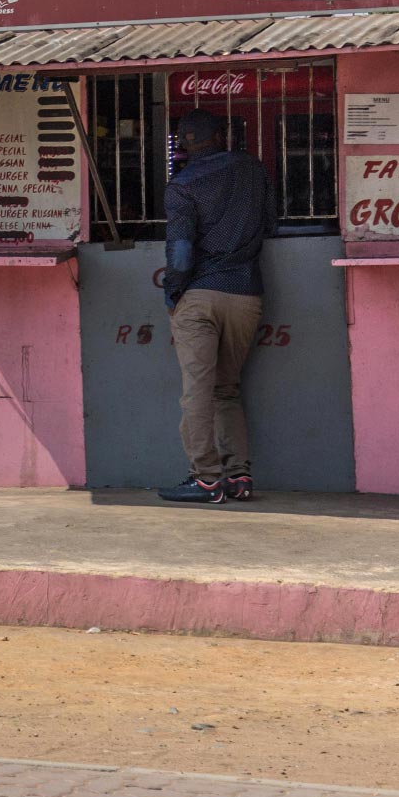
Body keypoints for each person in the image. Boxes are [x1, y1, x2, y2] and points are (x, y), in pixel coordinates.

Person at [156, 109, 277, 506]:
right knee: (227, 390)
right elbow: (270, 224)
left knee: (197, 393)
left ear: (183, 143)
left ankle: (206, 479)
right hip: (246, 293)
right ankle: (239, 477)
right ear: (223, 135)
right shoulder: (253, 169)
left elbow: (180, 253)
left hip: (201, 296)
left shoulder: (182, 186)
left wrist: (174, 294)